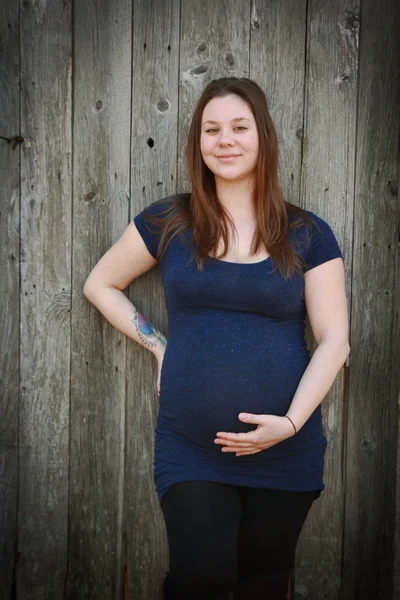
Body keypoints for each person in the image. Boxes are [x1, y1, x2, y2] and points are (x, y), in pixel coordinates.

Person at [83, 77, 350, 600]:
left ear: (263, 137)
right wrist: (161, 346)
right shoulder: (169, 221)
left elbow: (335, 340)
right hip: (191, 447)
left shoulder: (308, 234)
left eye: (239, 127)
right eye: (212, 129)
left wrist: (291, 423)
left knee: (264, 587)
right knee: (200, 580)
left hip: (285, 450)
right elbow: (101, 284)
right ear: (198, 142)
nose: (224, 140)